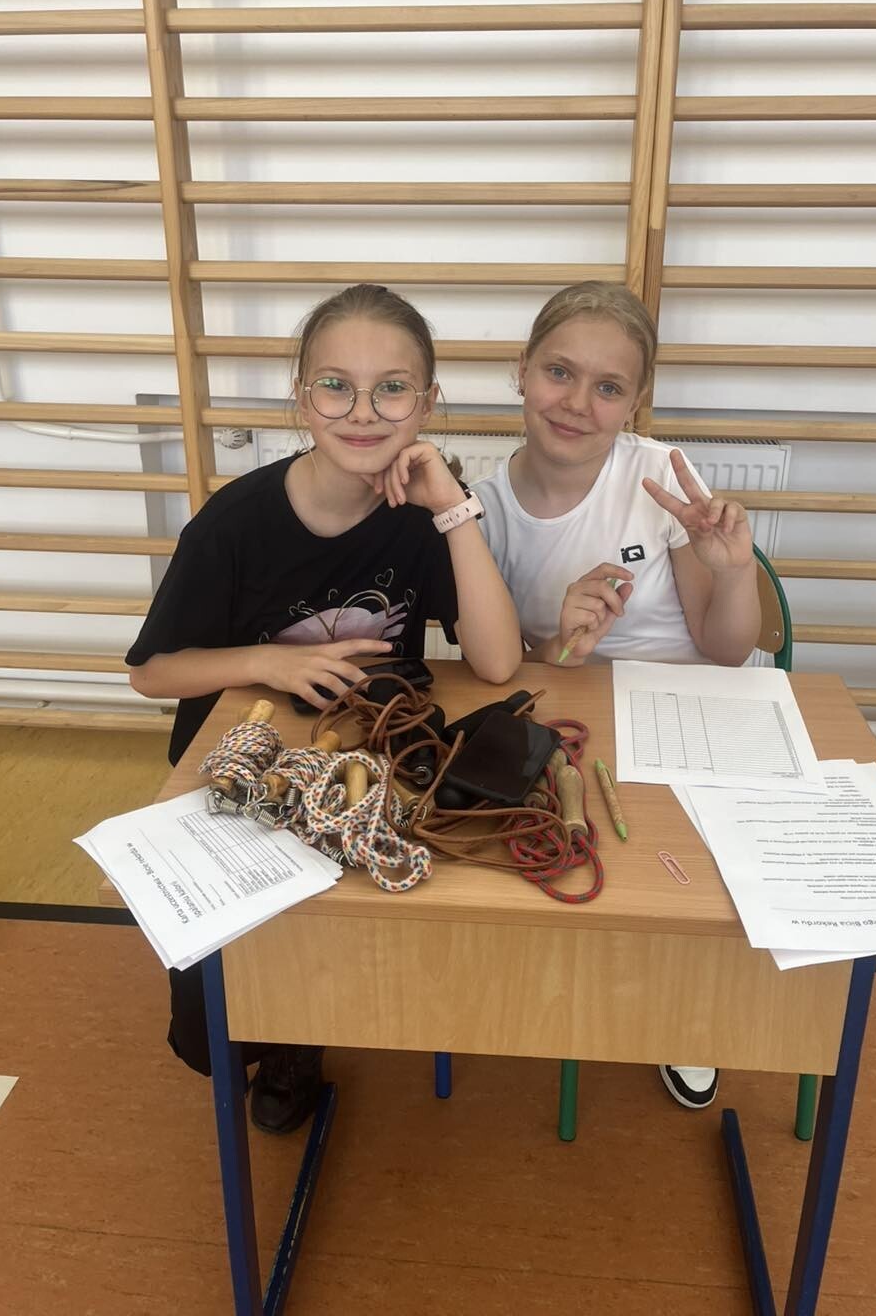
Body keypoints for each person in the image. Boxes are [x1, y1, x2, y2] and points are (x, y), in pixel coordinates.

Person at [127, 283, 521, 1133]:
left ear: (428, 402)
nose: (364, 411)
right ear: (301, 398)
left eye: (392, 388)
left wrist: (452, 507)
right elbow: (153, 674)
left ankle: (344, 1011)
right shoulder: (234, 524)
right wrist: (269, 660)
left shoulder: (420, 518)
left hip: (364, 758)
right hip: (243, 766)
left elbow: (496, 662)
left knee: (415, 893)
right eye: (336, 386)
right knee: (239, 967)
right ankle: (284, 1042)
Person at [477, 280, 761, 1110]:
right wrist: (557, 643)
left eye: (608, 387)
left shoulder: (656, 475)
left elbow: (726, 649)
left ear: (634, 401)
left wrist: (734, 572)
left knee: (693, 872)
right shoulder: (484, 509)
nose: (577, 403)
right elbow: (507, 669)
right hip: (575, 711)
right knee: (543, 847)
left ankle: (685, 999)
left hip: (689, 710)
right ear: (521, 370)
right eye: (559, 372)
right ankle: (572, 982)